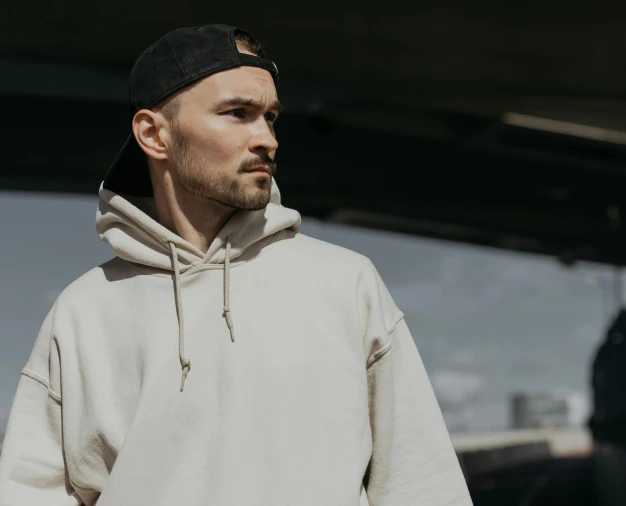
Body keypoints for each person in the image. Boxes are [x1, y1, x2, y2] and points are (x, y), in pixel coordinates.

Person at [0, 25, 472, 505]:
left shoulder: (345, 284)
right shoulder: (84, 311)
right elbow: (29, 492)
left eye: (269, 117)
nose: (267, 139)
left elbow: (422, 483)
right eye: (238, 114)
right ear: (153, 134)